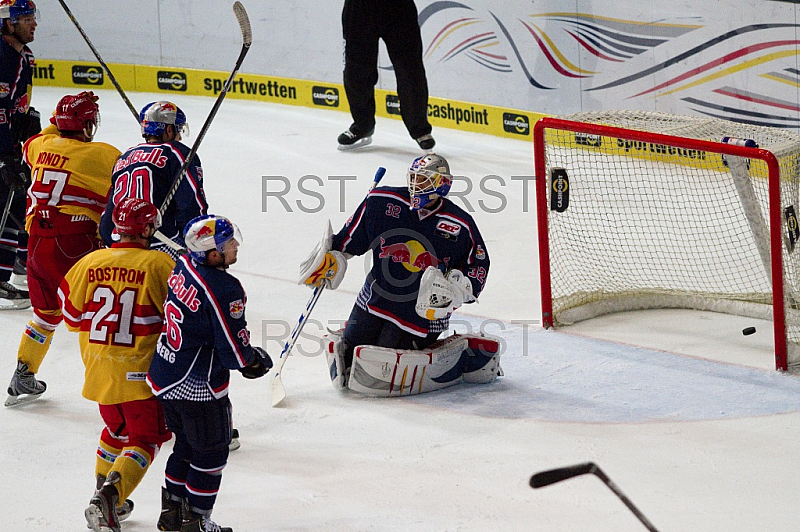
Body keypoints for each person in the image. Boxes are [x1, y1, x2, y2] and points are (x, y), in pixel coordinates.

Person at [299, 153, 495, 392]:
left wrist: (461, 287)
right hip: (374, 300)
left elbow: (479, 265)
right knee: (350, 355)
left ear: (442, 184)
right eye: (413, 178)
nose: (415, 186)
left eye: (424, 180)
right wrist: (330, 259)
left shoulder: (460, 224)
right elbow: (349, 240)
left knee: (381, 363)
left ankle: (461, 357)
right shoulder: (381, 200)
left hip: (421, 315)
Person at [147, 214, 272, 532]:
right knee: (211, 452)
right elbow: (232, 347)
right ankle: (197, 521)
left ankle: (172, 514)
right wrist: (252, 360)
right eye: (229, 243)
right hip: (196, 385)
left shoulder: (184, 263)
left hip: (165, 372)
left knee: (185, 446)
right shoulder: (224, 287)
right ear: (213, 254)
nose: (236, 246)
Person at [59, 198, 175, 532]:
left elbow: (70, 315)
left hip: (98, 368)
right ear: (149, 229)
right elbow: (179, 317)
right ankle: (109, 497)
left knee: (115, 431)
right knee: (146, 439)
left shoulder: (91, 261)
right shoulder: (158, 264)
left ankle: (103, 488)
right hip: (140, 373)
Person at [4, 91, 121, 407]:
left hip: (37, 248)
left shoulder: (40, 146)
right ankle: (110, 393)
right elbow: (132, 171)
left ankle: (23, 374)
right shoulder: (100, 155)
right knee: (95, 319)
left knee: (45, 315)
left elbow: (35, 141)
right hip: (74, 246)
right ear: (87, 125)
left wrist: (60, 118)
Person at [99, 100, 208, 258]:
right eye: (178, 131)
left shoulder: (124, 157)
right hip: (159, 242)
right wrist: (198, 243)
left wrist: (110, 239)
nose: (180, 138)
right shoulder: (178, 153)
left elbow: (110, 209)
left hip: (118, 242)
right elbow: (190, 205)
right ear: (169, 130)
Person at [338, 0, 435, 151]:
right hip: (358, 8)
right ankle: (362, 125)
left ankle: (420, 130)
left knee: (410, 69)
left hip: (399, 8)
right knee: (356, 70)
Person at [0, 0, 40, 309]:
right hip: (2, 145)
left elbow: (13, 104)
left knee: (17, 200)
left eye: (32, 17)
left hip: (10, 143)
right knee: (4, 202)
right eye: (25, 19)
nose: (34, 23)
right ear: (7, 23)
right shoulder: (2, 56)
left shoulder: (22, 55)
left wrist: (27, 118)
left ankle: (15, 261)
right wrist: (5, 153)